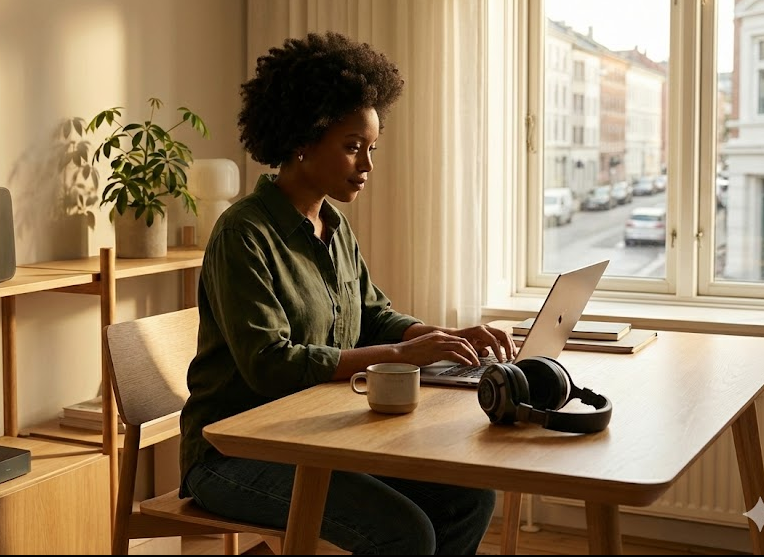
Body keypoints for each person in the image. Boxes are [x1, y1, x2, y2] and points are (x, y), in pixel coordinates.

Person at [179, 31, 517, 555]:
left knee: (468, 499)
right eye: (352, 147)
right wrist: (404, 356)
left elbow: (374, 314)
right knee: (404, 533)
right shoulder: (242, 234)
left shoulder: (332, 226)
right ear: (303, 139)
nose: (367, 165)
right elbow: (270, 364)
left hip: (317, 438)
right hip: (230, 455)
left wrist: (441, 338)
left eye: (371, 148)